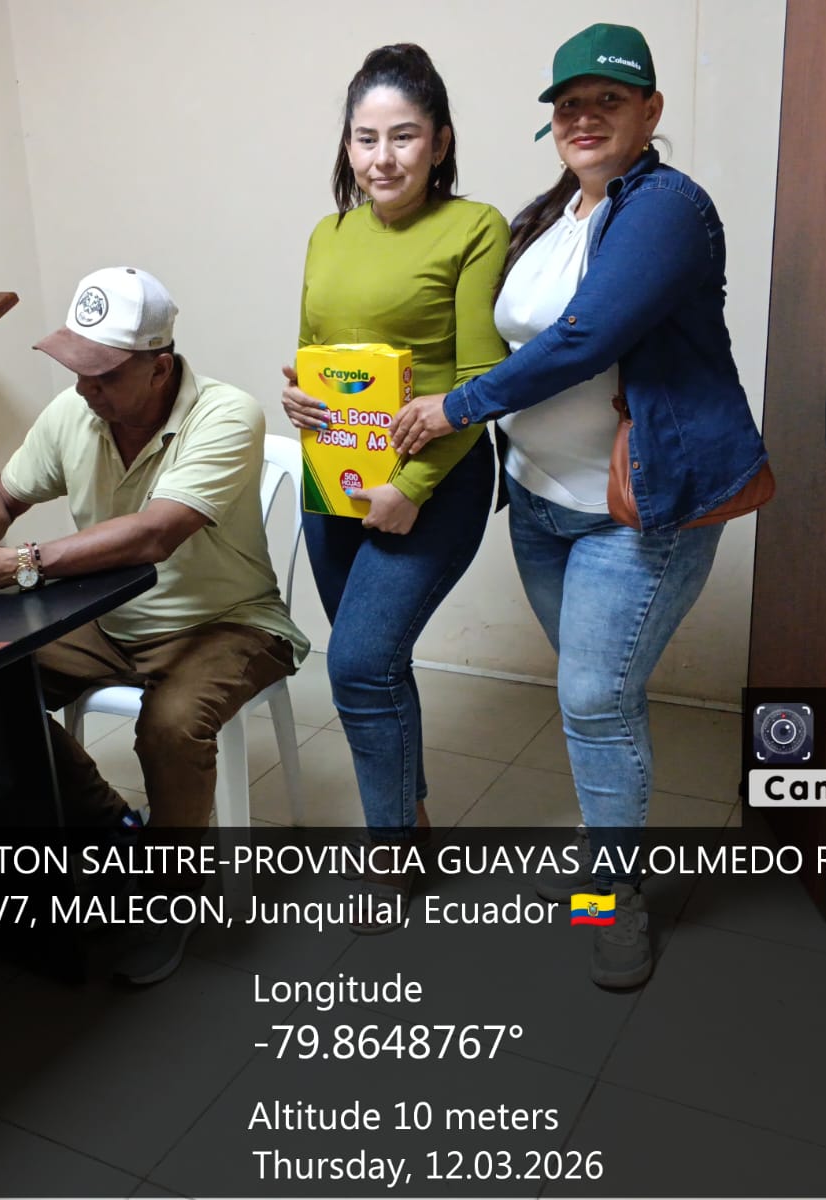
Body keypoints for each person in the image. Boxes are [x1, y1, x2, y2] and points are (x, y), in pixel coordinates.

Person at [389, 24, 770, 988]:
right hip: (538, 504)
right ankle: (614, 851)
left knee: (594, 702)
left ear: (650, 111)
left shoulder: (668, 208)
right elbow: (491, 333)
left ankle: (613, 898)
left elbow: (586, 336)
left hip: (634, 513)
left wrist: (456, 408)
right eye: (569, 104)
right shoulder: (555, 214)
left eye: (609, 100)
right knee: (598, 697)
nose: (585, 117)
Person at [0, 266, 308, 984]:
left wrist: (14, 564)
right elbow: (2, 493)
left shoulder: (227, 414)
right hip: (105, 615)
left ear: (159, 367)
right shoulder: (74, 413)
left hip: (227, 622)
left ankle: (168, 900)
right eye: (76, 369)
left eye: (101, 374)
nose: (83, 389)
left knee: (172, 726)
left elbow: (156, 533)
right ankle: (113, 830)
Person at [279, 43, 508, 917]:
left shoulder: (475, 227)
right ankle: (410, 819)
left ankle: (393, 856)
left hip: (434, 483)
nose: (382, 158)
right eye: (365, 137)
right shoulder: (327, 233)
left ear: (440, 141)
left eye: (404, 136)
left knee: (358, 662)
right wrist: (297, 396)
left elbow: (482, 381)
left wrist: (410, 486)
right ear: (346, 144)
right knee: (374, 665)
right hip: (334, 478)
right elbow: (314, 352)